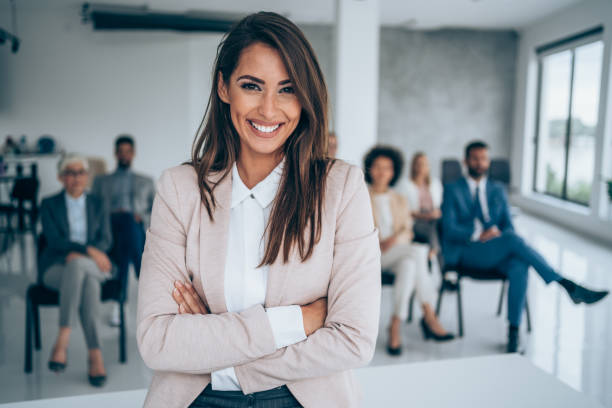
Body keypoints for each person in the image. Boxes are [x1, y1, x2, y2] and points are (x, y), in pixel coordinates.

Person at [136, 12, 381, 408]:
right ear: (224, 87)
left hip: (303, 396)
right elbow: (157, 341)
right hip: (199, 397)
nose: (269, 110)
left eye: (287, 89)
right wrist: (297, 322)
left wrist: (220, 353)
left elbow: (354, 339)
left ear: (306, 97)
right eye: (252, 86)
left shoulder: (342, 189)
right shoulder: (179, 190)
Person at [441, 140, 609, 353]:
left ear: (488, 161)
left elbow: (508, 227)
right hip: (467, 251)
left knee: (519, 266)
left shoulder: (497, 189)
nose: (480, 163)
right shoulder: (452, 189)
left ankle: (513, 332)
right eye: (475, 158)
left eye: (484, 158)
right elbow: (448, 228)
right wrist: (478, 234)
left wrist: (496, 235)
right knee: (512, 242)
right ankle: (566, 284)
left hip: (495, 249)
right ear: (466, 161)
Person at [364, 145, 454, 356]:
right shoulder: (361, 196)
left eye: (387, 168)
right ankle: (429, 314)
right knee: (418, 252)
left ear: (393, 172)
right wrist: (377, 242)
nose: (381, 172)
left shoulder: (399, 199)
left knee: (409, 265)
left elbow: (407, 230)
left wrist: (393, 240)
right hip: (371, 255)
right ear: (369, 170)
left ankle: (395, 323)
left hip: (397, 253)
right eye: (377, 167)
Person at [40, 154, 113, 387]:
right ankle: (96, 355)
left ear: (87, 176)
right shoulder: (49, 204)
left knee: (79, 267)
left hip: (93, 265)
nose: (76, 177)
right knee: (85, 280)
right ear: (61, 177)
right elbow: (53, 241)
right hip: (55, 268)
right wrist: (88, 251)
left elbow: (106, 240)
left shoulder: (98, 203)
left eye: (81, 172)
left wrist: (84, 254)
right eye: (70, 173)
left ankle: (63, 339)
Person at [91, 135, 154, 326]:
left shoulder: (146, 181)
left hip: (136, 230)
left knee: (127, 223)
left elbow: (157, 213)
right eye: (121, 151)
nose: (124, 155)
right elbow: (93, 212)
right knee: (123, 224)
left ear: (133, 154)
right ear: (115, 154)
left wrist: (140, 217)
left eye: (128, 151)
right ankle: (144, 279)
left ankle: (120, 304)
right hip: (110, 229)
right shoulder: (101, 181)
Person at [397, 152, 443, 258]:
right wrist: (424, 216)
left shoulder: (435, 183)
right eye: (419, 164)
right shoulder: (405, 184)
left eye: (425, 164)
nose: (422, 167)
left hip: (433, 217)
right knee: (430, 228)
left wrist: (435, 213)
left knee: (440, 225)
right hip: (416, 219)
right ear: (413, 166)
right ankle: (434, 251)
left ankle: (434, 253)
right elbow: (403, 211)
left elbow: (439, 205)